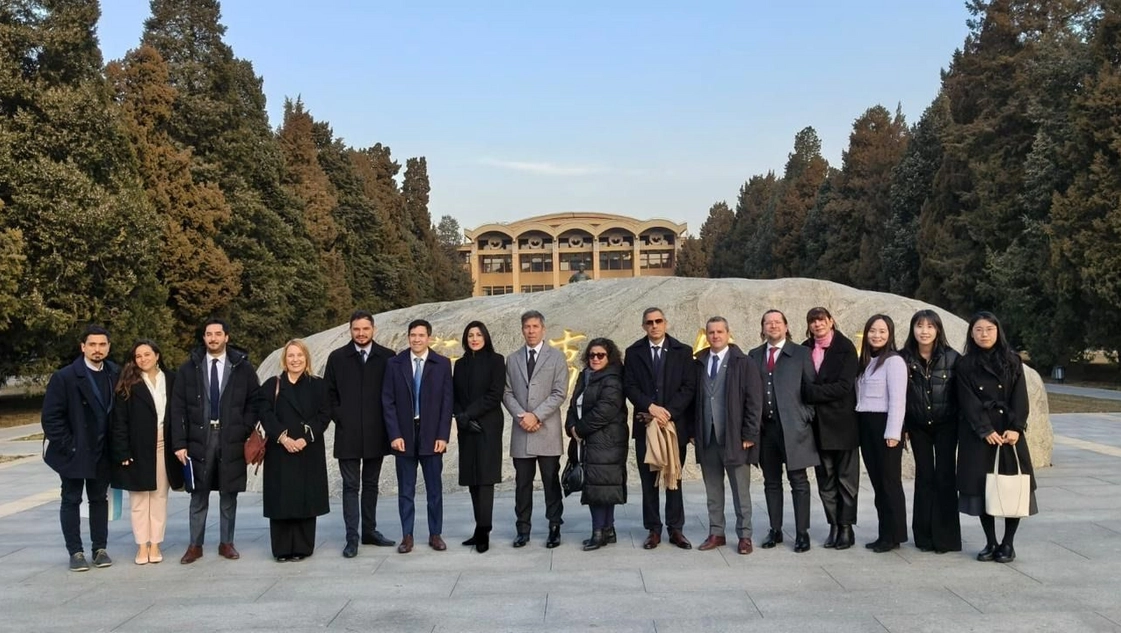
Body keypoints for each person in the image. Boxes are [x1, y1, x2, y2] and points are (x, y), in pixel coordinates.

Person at [171, 318, 260, 564]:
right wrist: (179, 443)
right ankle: (195, 545)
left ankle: (226, 543)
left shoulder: (242, 367)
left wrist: (244, 427)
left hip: (231, 437)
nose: (213, 338)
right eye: (208, 334)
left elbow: (254, 401)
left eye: (218, 334)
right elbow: (177, 407)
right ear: (204, 338)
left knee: (228, 493)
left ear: (226, 337)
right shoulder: (189, 368)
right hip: (199, 437)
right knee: (198, 494)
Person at [956, 311, 1037, 563]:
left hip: (1008, 432)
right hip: (980, 435)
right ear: (971, 334)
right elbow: (967, 400)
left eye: (989, 329)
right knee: (983, 489)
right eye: (979, 330)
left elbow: (1020, 397)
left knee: (1014, 486)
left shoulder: (1013, 361)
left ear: (998, 332)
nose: (984, 334)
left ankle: (1008, 543)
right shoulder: (964, 364)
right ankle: (990, 541)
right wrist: (985, 429)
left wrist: (1016, 427)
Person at [41, 325, 120, 571]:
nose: (97, 349)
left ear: (108, 347)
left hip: (103, 451)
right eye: (92, 344)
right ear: (83, 347)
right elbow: (51, 418)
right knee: (71, 499)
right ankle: (75, 552)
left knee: (99, 499)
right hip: (75, 451)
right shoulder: (64, 377)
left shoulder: (115, 373)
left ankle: (100, 549)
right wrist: (70, 446)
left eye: (102, 344)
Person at [324, 310, 397, 558]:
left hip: (377, 432)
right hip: (348, 433)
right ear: (350, 330)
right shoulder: (337, 358)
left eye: (365, 329)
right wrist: (341, 417)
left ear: (373, 329)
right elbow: (329, 394)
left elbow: (393, 393)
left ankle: (369, 531)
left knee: (371, 484)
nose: (361, 333)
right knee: (350, 486)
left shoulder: (387, 357)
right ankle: (351, 538)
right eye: (356, 329)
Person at [623, 307, 696, 550]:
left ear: (666, 323)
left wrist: (668, 412)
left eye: (658, 321)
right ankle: (653, 529)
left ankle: (676, 529)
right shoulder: (634, 352)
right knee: (649, 480)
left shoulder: (682, 351)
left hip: (674, 425)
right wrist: (651, 407)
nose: (654, 325)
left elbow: (689, 387)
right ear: (643, 326)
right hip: (646, 424)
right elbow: (630, 386)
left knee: (674, 478)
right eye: (649, 322)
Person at [748, 310, 819, 553]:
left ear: (786, 326)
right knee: (771, 482)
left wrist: (804, 416)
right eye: (768, 322)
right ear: (763, 327)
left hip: (794, 428)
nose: (773, 326)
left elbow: (811, 389)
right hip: (766, 430)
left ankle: (802, 533)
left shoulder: (800, 353)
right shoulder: (754, 355)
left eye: (777, 322)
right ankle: (775, 529)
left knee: (799, 482)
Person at [691, 317, 763, 555]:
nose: (715, 336)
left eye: (720, 331)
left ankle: (744, 535)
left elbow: (754, 401)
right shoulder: (699, 362)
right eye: (711, 332)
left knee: (740, 491)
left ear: (728, 333)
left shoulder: (743, 362)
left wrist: (750, 433)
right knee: (713, 490)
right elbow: (694, 400)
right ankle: (716, 532)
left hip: (735, 438)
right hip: (707, 437)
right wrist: (693, 432)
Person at [383, 319, 454, 554]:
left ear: (429, 337)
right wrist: (394, 434)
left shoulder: (442, 364)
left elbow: (447, 403)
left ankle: (435, 534)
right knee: (406, 490)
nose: (416, 339)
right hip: (404, 434)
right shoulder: (395, 363)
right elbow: (388, 401)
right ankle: (407, 536)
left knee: (434, 489)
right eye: (413, 335)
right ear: (408, 337)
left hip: (432, 434)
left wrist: (443, 435)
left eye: (421, 335)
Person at [257, 340, 331, 562]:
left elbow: (324, 414)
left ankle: (303, 547)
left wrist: (305, 438)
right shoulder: (272, 385)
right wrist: (283, 437)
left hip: (308, 448)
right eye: (291, 355)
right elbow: (264, 413)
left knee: (305, 497)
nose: (295, 360)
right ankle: (281, 549)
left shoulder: (318, 385)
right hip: (279, 450)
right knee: (281, 498)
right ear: (284, 359)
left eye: (299, 355)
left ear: (306, 358)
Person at [111, 339, 182, 566]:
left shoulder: (171, 379)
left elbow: (180, 413)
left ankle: (156, 544)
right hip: (137, 447)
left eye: (147, 354)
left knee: (159, 497)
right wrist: (122, 451)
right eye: (138, 356)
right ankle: (142, 545)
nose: (143, 359)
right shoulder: (128, 383)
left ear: (157, 355)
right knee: (140, 499)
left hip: (164, 446)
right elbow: (119, 421)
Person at [503, 310, 569, 548]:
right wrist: (523, 416)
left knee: (551, 481)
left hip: (547, 430)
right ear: (522, 330)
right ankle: (523, 529)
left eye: (535, 326)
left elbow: (560, 392)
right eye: (527, 327)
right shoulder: (513, 359)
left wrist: (536, 415)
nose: (531, 331)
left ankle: (554, 526)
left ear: (543, 329)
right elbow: (507, 392)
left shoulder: (556, 357)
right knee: (522, 483)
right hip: (522, 430)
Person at [901, 309, 962, 553]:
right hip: (917, 426)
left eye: (929, 326)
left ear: (938, 330)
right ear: (912, 329)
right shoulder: (902, 358)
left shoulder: (952, 358)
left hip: (946, 425)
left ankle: (945, 538)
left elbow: (960, 395)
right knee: (924, 477)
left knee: (945, 477)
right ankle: (924, 537)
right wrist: (903, 426)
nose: (924, 331)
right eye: (919, 326)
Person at [801, 308, 860, 550]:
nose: (817, 325)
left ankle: (846, 527)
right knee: (825, 479)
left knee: (846, 479)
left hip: (843, 423)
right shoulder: (805, 348)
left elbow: (844, 386)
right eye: (812, 321)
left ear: (831, 321)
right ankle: (833, 525)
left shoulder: (846, 348)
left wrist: (812, 393)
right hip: (817, 425)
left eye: (821, 320)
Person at [566, 338, 629, 551]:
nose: (595, 358)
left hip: (607, 441)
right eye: (592, 355)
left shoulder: (613, 378)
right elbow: (574, 404)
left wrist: (579, 429)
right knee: (602, 486)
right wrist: (570, 426)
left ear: (609, 357)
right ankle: (608, 530)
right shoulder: (585, 375)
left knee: (598, 487)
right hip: (590, 440)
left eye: (600, 355)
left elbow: (605, 410)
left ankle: (598, 533)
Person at [855, 314, 909, 553]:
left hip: (885, 426)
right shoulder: (867, 361)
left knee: (890, 483)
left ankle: (894, 535)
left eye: (882, 331)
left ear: (890, 334)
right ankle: (884, 532)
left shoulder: (894, 361)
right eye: (872, 331)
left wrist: (894, 433)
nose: (876, 335)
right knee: (878, 483)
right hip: (866, 425)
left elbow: (898, 400)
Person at [452, 321, 506, 553]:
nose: (474, 339)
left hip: (487, 425)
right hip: (466, 426)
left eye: (478, 335)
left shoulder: (496, 361)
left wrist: (469, 414)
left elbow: (494, 395)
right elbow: (453, 394)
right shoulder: (460, 364)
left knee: (485, 478)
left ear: (486, 337)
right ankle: (478, 527)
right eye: (470, 335)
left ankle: (484, 530)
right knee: (472, 478)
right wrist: (461, 416)